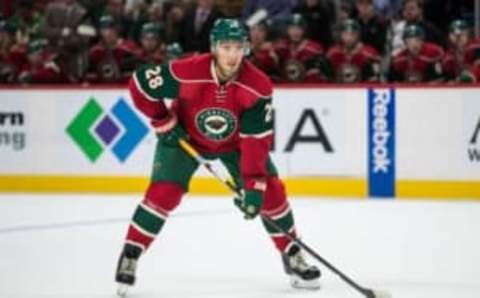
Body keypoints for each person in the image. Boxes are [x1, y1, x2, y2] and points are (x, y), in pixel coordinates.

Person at [115, 18, 321, 295]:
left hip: (234, 145)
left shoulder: (257, 86)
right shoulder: (187, 70)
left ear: (246, 48)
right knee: (163, 193)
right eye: (226, 47)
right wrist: (163, 120)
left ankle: (291, 251)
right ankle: (131, 252)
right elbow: (140, 85)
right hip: (184, 138)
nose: (232, 55)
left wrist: (254, 187)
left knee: (271, 193)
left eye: (238, 47)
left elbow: (255, 142)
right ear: (214, 47)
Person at [326, 19, 381, 83]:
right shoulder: (332, 53)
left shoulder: (370, 54)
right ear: (341, 35)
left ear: (358, 35)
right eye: (345, 34)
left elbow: (375, 81)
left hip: (361, 91)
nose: (349, 38)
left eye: (352, 34)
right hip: (338, 91)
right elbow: (327, 79)